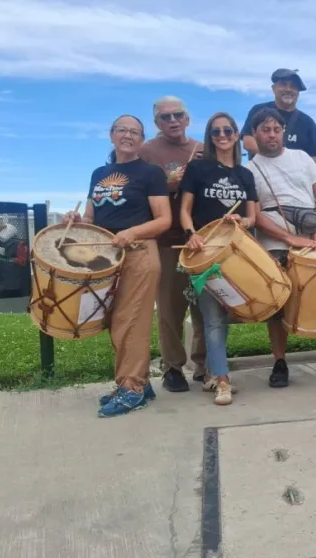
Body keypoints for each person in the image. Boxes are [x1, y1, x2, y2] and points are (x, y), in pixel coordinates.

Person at [67, 115, 172, 417]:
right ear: (111, 135)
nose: (128, 135)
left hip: (139, 252)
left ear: (141, 139)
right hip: (108, 258)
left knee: (132, 321)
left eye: (135, 132)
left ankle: (132, 388)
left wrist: (133, 232)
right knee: (116, 321)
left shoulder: (151, 174)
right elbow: (91, 218)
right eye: (122, 130)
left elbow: (164, 219)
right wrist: (75, 221)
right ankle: (137, 382)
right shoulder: (99, 173)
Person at [245, 108, 316, 388]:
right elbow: (255, 214)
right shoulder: (250, 169)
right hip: (274, 236)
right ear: (255, 134)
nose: (271, 135)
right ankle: (280, 361)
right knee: (277, 300)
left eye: (276, 129)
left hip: (311, 228)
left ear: (282, 132)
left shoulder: (302, 157)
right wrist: (288, 239)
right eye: (265, 130)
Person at [178, 112, 258, 406]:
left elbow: (253, 217)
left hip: (236, 254)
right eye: (215, 132)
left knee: (225, 316)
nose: (222, 136)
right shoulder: (198, 169)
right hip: (204, 254)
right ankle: (223, 381)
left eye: (227, 130)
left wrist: (241, 221)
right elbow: (185, 210)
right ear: (210, 138)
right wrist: (191, 234)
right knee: (212, 318)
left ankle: (214, 372)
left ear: (237, 135)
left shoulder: (246, 174)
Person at [139, 96, 208, 392]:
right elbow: (136, 192)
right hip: (166, 242)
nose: (172, 121)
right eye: (165, 117)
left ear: (188, 118)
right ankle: (172, 367)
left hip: (201, 241)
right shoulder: (146, 152)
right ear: (156, 123)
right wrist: (167, 184)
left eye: (178, 115)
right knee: (169, 310)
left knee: (206, 308)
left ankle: (204, 365)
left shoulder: (203, 149)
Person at [242, 69, 316, 165]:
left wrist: (297, 169)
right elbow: (248, 141)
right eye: (283, 84)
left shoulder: (307, 122)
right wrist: (275, 160)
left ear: (298, 93)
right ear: (273, 88)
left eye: (293, 86)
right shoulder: (258, 110)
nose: (288, 89)